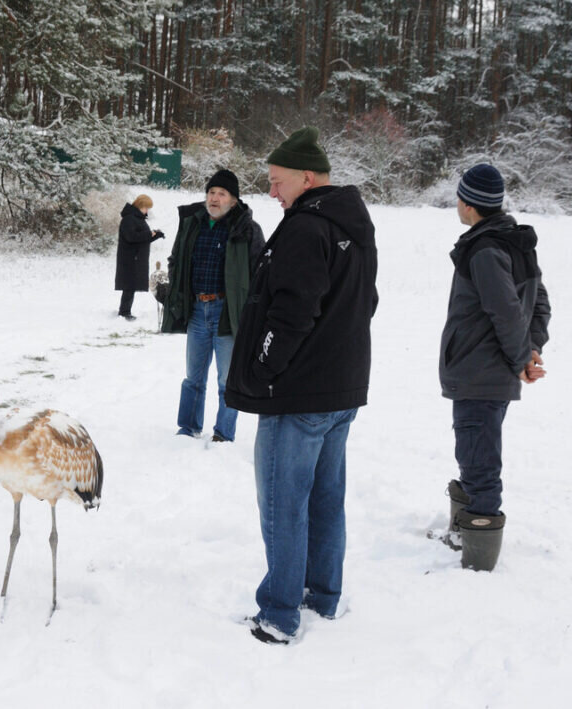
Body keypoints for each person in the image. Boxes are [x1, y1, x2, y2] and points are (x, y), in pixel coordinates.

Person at [225, 127, 379, 645]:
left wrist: (267, 367)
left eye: (276, 182)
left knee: (284, 501)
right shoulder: (353, 226)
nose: (271, 192)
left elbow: (291, 313)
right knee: (324, 498)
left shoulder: (304, 228)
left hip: (299, 395)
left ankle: (279, 613)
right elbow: (364, 303)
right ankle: (322, 596)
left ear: (306, 178)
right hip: (340, 389)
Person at [437, 163, 550, 571]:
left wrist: (524, 358)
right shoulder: (512, 241)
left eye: (459, 197)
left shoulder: (486, 249)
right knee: (473, 452)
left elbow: (506, 312)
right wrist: (531, 349)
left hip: (480, 372)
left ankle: (478, 559)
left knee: (480, 461)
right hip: (488, 371)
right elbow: (539, 304)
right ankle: (461, 532)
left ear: (468, 204)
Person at [161, 169, 265, 443]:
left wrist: (253, 310)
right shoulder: (192, 224)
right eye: (211, 192)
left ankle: (223, 433)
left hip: (227, 314)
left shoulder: (246, 229)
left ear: (234, 200)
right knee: (193, 378)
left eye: (221, 194)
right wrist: (174, 290)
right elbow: (176, 259)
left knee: (226, 381)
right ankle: (188, 428)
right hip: (197, 310)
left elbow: (260, 272)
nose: (214, 198)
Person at [115, 194, 164, 320]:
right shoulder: (129, 219)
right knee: (129, 286)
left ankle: (125, 311)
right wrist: (149, 234)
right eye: (146, 207)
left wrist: (156, 235)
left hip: (136, 258)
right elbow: (131, 237)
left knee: (131, 285)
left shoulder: (138, 219)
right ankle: (124, 312)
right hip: (130, 258)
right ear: (140, 206)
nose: (147, 210)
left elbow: (142, 239)